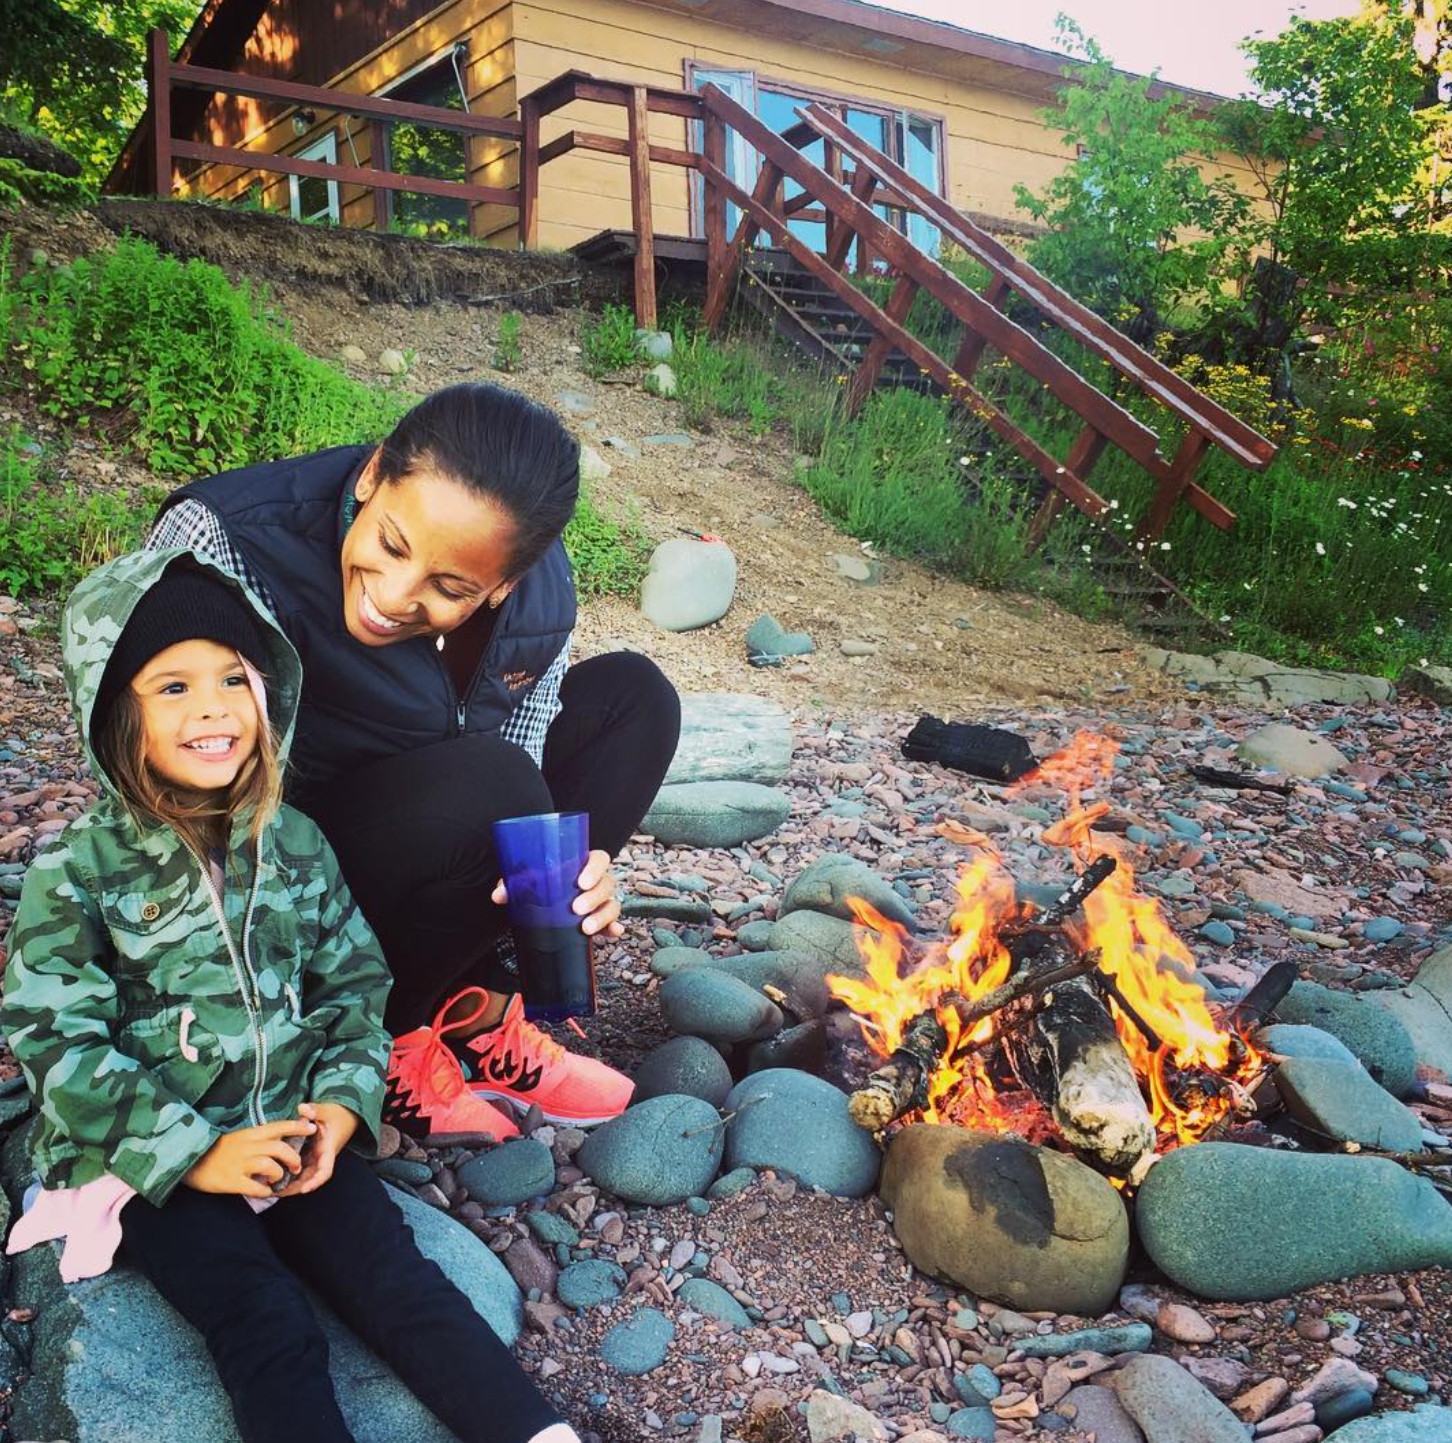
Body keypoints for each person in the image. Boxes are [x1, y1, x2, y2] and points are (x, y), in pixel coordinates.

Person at [2, 552, 579, 1443]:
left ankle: (542, 1434)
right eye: (172, 686)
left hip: (294, 1130)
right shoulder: (75, 869)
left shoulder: (297, 841)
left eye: (234, 677)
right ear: (116, 712)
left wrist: (346, 1107)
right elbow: (55, 1037)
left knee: (401, 1280)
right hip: (158, 1160)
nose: (212, 706)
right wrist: (194, 1153)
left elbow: (354, 982)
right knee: (262, 1317)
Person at [146, 382, 682, 1138]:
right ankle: (378, 1039)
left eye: (451, 586)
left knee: (636, 699)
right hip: (261, 869)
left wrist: (571, 874)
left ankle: (475, 1007)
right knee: (494, 788)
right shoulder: (227, 538)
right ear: (371, 476)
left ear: (505, 583)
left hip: (433, 823)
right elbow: (148, 789)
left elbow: (526, 763)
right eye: (392, 543)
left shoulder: (540, 597)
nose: (392, 595)